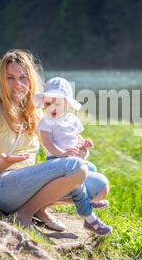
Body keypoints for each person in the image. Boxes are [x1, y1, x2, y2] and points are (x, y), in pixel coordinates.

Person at [0, 49, 110, 233]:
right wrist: (5, 162)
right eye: (10, 78)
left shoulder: (35, 112)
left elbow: (60, 142)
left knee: (100, 186)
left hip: (26, 183)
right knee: (76, 168)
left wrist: (79, 150)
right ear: (1, 80)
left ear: (31, 79)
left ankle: (39, 208)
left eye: (23, 77)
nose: (18, 84)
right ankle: (23, 214)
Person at [33, 77, 112, 236]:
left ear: (67, 104)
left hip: (73, 159)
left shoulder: (72, 120)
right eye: (48, 104)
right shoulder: (46, 122)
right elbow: (48, 143)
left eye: (57, 104)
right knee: (77, 183)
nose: (52, 108)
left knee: (91, 168)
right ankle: (89, 218)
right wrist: (62, 154)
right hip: (57, 161)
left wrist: (85, 145)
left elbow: (77, 139)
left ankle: (90, 198)